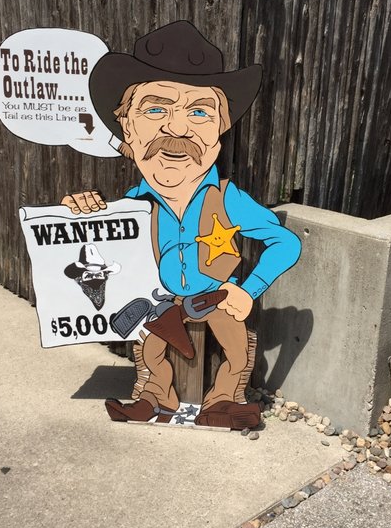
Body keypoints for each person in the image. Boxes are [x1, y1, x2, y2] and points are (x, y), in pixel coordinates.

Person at [62, 21, 301, 430]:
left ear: (219, 130)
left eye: (199, 111)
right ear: (127, 128)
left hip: (217, 297)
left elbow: (286, 243)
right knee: (150, 349)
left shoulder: (227, 198)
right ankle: (155, 399)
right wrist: (81, 215)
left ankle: (223, 402)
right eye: (155, 109)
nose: (176, 128)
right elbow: (93, 252)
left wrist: (248, 291)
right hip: (162, 303)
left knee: (237, 348)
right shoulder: (133, 206)